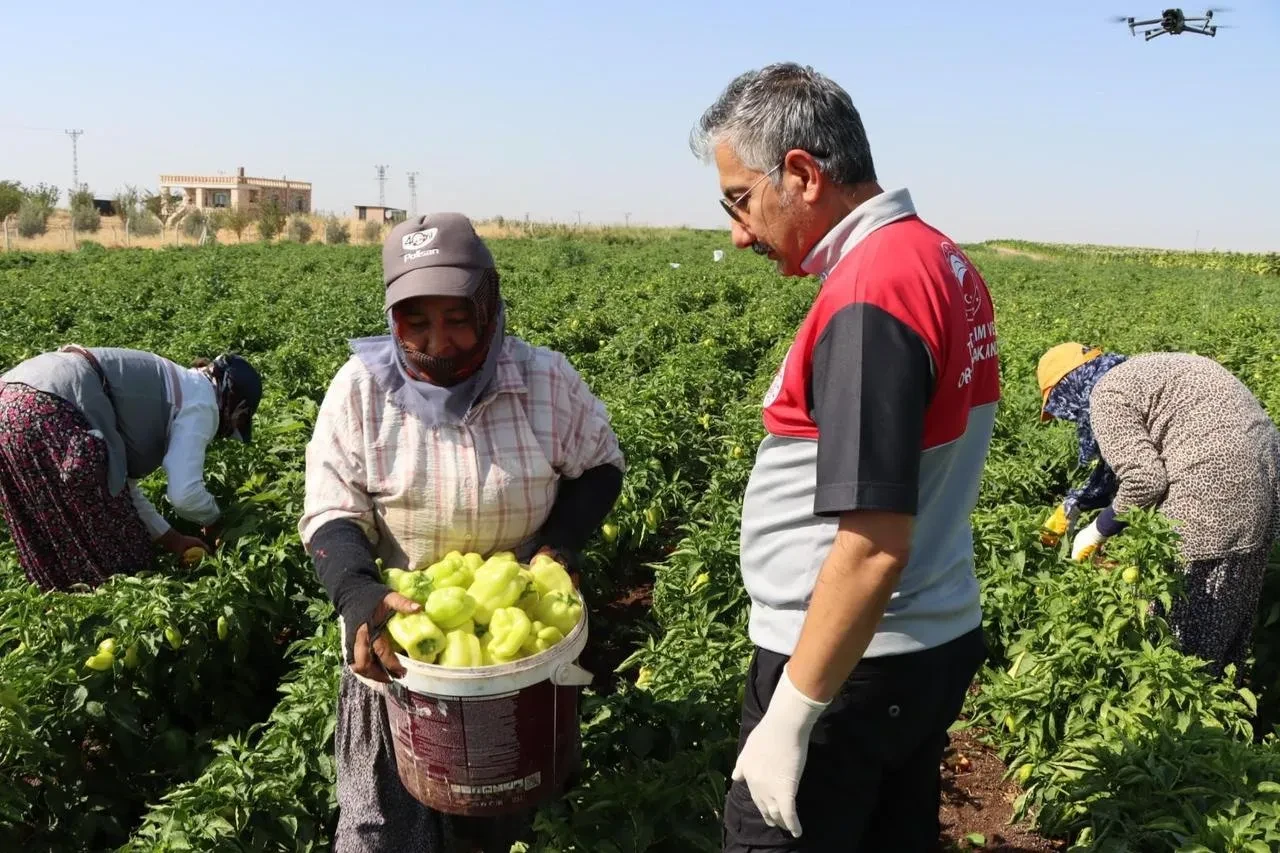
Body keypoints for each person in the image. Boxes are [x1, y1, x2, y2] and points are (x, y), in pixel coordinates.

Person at [688, 63, 1001, 851]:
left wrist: (792, 713)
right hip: (914, 643)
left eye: (739, 199)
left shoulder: (876, 288)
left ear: (799, 174)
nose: (737, 230)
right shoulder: (938, 259)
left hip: (846, 663)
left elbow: (870, 544)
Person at [298, 212, 625, 853]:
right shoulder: (361, 392)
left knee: (501, 814)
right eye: (415, 320)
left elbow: (599, 469)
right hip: (399, 644)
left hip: (517, 656)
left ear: (489, 303)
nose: (437, 341)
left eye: (457, 317)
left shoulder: (545, 381)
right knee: (381, 824)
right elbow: (329, 512)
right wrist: (360, 595)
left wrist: (558, 546)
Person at [1037, 342, 1280, 677]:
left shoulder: (1105, 394)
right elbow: (1127, 459)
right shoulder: (1142, 372)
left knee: (1182, 636)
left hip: (1211, 488)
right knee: (1231, 610)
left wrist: (1098, 529)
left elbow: (1145, 479)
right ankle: (1230, 712)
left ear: (1069, 390)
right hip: (1264, 478)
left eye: (1064, 409)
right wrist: (1078, 503)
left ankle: (1190, 720)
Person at [0, 346, 261, 591]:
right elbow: (185, 493)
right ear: (234, 403)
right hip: (47, 407)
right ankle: (103, 614)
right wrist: (214, 519)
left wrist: (174, 540)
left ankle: (67, 617)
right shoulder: (203, 402)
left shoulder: (175, 385)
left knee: (49, 526)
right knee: (120, 548)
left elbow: (125, 489)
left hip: (9, 401)